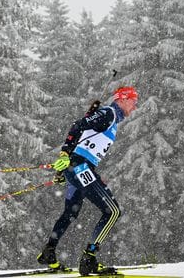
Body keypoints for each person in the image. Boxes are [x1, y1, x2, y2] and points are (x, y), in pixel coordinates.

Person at [36, 86, 139, 276]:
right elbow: (77, 125)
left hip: (76, 168)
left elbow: (82, 135)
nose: (134, 107)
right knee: (113, 211)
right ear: (123, 99)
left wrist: (64, 170)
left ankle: (49, 251)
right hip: (80, 167)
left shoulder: (112, 118)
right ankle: (89, 259)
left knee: (70, 213)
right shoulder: (108, 114)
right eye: (133, 102)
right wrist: (65, 153)